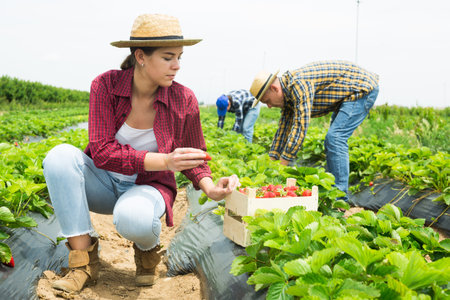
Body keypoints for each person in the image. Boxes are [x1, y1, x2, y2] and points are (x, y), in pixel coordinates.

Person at [42, 14, 239, 293]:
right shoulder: (106, 86)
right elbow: (101, 151)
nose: (177, 66)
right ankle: (82, 264)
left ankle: (147, 252)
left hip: (149, 186)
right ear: (141, 57)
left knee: (134, 218)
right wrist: (165, 160)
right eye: (168, 57)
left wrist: (209, 186)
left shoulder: (184, 99)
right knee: (59, 157)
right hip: (103, 182)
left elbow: (195, 156)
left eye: (180, 57)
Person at [249, 60, 379, 200]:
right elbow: (283, 129)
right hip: (346, 96)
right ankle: (334, 193)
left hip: (361, 89)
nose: (268, 106)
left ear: (275, 89)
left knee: (335, 138)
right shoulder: (287, 96)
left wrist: (281, 165)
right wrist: (271, 161)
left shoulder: (299, 84)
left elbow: (300, 126)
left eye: (267, 100)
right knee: (333, 140)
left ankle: (339, 199)